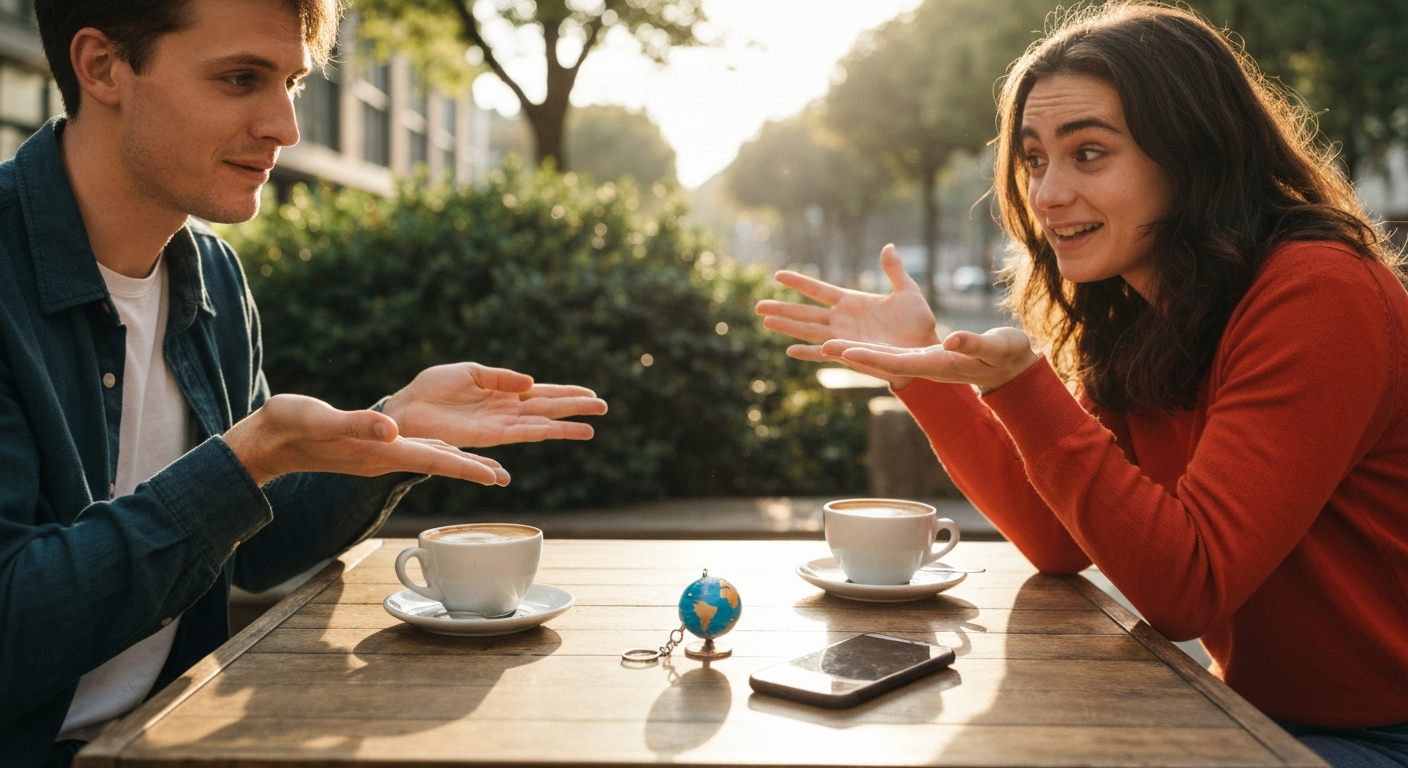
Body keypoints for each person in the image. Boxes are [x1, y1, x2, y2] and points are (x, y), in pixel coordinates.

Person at [758, 3, 1408, 765]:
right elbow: (1057, 537)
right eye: (1035, 160)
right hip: (1250, 717)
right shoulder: (1147, 308)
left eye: (1088, 154)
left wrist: (1024, 384)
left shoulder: (1318, 292)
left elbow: (1187, 586)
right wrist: (922, 369)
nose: (1046, 194)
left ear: (1193, 155)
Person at [0, 0, 608, 764]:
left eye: (290, 81)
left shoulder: (211, 273)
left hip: (163, 737)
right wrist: (247, 459)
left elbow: (251, 549)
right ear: (102, 66)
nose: (284, 126)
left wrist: (392, 428)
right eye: (241, 78)